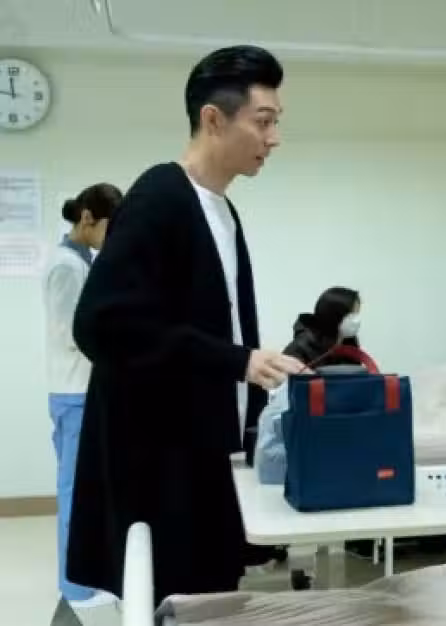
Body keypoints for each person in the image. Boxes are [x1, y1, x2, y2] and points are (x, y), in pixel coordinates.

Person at [67, 45, 307, 603]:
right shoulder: (160, 197)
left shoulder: (220, 209)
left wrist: (253, 369)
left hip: (208, 453)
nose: (274, 138)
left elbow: (214, 325)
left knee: (215, 593)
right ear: (213, 119)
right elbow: (102, 325)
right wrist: (237, 361)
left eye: (276, 122)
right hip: (162, 466)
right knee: (180, 598)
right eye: (263, 121)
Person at [42, 183, 122, 611]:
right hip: (74, 391)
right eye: (111, 226)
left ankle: (86, 577)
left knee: (86, 492)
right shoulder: (65, 266)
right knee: (73, 492)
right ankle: (75, 588)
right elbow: (73, 333)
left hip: (83, 391)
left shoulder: (82, 261)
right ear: (88, 218)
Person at [282, 286, 367, 368]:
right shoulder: (300, 347)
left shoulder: (350, 344)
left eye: (357, 314)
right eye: (351, 315)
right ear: (334, 315)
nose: (356, 320)